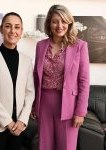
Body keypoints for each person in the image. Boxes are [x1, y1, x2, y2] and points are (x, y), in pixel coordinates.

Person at [31, 4, 90, 150]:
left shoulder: (80, 46)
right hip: (43, 103)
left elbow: (84, 81)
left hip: (68, 105)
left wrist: (80, 111)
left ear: (69, 23)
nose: (59, 25)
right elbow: (36, 77)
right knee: (44, 146)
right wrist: (33, 104)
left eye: (63, 21)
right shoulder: (40, 45)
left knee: (67, 147)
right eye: (55, 21)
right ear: (49, 23)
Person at [0, 12, 35, 150]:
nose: (12, 31)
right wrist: (8, 123)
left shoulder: (27, 60)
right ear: (1, 29)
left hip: (19, 126)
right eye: (8, 26)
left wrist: (22, 120)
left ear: (21, 31)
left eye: (17, 27)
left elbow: (30, 93)